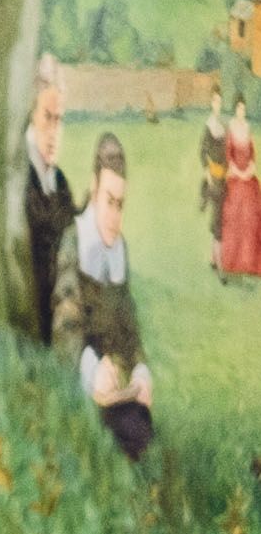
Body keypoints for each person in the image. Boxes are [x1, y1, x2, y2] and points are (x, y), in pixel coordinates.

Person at [51, 132, 154, 461]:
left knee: (140, 430)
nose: (114, 215)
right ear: (94, 192)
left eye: (121, 205)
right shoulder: (74, 241)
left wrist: (139, 369)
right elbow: (65, 325)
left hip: (116, 386)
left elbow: (128, 325)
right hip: (83, 377)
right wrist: (92, 370)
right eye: (109, 201)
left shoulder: (119, 248)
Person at [21, 79, 73, 345]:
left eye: (59, 120)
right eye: (47, 118)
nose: (54, 130)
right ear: (32, 116)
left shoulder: (60, 182)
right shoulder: (21, 179)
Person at [222, 96, 261, 281]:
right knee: (236, 216)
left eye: (243, 109)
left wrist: (250, 170)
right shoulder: (231, 128)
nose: (241, 112)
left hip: (249, 178)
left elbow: (253, 155)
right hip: (236, 177)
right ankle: (234, 263)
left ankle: (250, 263)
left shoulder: (247, 127)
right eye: (239, 108)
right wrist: (239, 172)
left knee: (252, 216)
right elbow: (229, 156)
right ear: (235, 109)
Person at [201, 83, 229, 272]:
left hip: (226, 178)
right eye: (215, 101)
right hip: (214, 178)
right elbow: (202, 152)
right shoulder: (209, 126)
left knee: (221, 217)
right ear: (211, 103)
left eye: (220, 101)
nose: (218, 104)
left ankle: (213, 258)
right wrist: (208, 174)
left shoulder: (223, 125)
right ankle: (219, 264)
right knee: (218, 219)